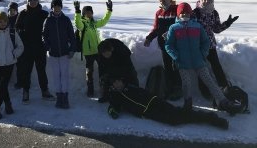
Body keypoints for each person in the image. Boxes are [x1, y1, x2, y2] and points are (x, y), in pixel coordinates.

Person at [98, 40, 229, 130]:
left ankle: (210, 119)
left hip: (152, 100)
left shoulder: (129, 85)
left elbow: (131, 80)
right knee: (175, 119)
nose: (117, 83)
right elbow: (113, 109)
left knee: (176, 116)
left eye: (117, 82)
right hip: (148, 111)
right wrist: (112, 107)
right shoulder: (116, 95)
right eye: (115, 83)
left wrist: (124, 83)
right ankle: (210, 118)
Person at [165, 2, 242, 115]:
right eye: (182, 13)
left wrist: (203, 53)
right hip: (183, 62)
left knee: (209, 81)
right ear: (178, 15)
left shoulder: (197, 26)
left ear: (191, 14)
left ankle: (223, 101)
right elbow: (169, 45)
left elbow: (206, 42)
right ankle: (188, 103)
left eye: (187, 13)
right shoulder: (174, 28)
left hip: (199, 61)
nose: (184, 15)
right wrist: (176, 57)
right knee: (186, 83)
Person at [192, 0, 239, 97]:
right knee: (201, 69)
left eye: (209, 0)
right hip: (198, 46)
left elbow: (216, 29)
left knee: (216, 66)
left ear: (212, 1)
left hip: (211, 45)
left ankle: (224, 87)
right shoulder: (195, 13)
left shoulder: (214, 13)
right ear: (201, 0)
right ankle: (205, 92)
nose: (206, 1)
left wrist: (227, 23)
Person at [15, 0, 54, 104]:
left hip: (40, 47)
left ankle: (45, 91)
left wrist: (47, 41)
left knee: (41, 70)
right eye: (30, 0)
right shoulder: (23, 14)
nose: (32, 2)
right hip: (27, 48)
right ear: (27, 1)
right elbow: (17, 28)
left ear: (38, 1)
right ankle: (25, 91)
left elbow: (49, 30)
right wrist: (22, 33)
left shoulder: (44, 14)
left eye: (35, 0)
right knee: (26, 71)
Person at [144, 0, 182, 100]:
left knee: (176, 67)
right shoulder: (159, 13)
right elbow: (156, 28)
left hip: (176, 45)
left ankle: (178, 89)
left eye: (164, 0)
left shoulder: (176, 10)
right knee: (168, 67)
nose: (162, 2)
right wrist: (149, 38)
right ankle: (169, 88)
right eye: (160, 0)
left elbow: (182, 23)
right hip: (164, 45)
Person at [0, 12, 24, 119]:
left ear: (7, 22)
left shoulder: (12, 33)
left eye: (5, 21)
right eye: (0, 21)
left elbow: (20, 46)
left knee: (3, 85)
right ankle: (8, 104)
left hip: (9, 63)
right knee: (2, 86)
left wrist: (14, 54)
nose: (2, 23)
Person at [73, 0, 112, 99]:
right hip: (88, 53)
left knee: (102, 71)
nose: (89, 14)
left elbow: (104, 21)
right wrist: (77, 11)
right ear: (83, 14)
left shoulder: (93, 23)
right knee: (89, 73)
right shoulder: (82, 25)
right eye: (87, 13)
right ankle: (90, 91)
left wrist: (109, 10)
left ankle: (103, 89)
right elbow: (77, 23)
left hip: (98, 51)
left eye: (90, 12)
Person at [43, 0, 76, 109]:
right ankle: (59, 97)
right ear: (52, 7)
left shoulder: (66, 20)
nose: (57, 8)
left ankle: (65, 97)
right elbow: (44, 36)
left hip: (64, 53)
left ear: (61, 7)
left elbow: (72, 35)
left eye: (58, 6)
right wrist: (48, 46)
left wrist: (72, 49)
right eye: (55, 6)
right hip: (53, 53)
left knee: (64, 76)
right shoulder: (48, 20)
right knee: (56, 76)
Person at [7, 2, 23, 89]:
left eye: (14, 10)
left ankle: (20, 81)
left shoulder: (19, 19)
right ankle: (6, 80)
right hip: (8, 45)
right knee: (8, 65)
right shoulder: (5, 20)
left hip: (17, 45)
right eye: (10, 10)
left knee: (20, 65)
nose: (12, 12)